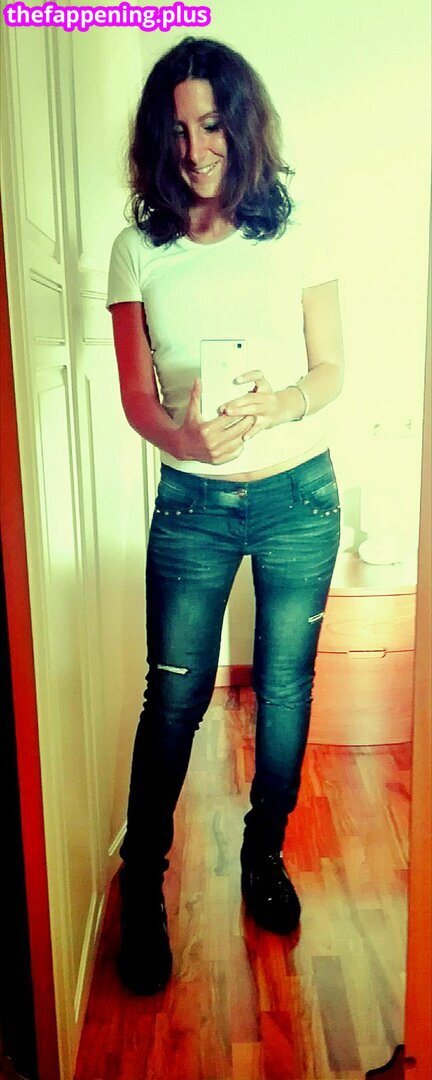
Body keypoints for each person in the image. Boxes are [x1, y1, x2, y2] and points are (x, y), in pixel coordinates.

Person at [107, 36, 344, 996]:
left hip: (299, 498)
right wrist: (183, 437)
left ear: (241, 126)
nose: (196, 149)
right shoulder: (137, 249)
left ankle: (264, 853)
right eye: (176, 130)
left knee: (284, 688)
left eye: (211, 124)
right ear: (155, 141)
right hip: (192, 504)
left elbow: (332, 368)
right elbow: (136, 399)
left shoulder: (299, 231)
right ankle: (143, 883)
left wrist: (280, 404)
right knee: (173, 698)